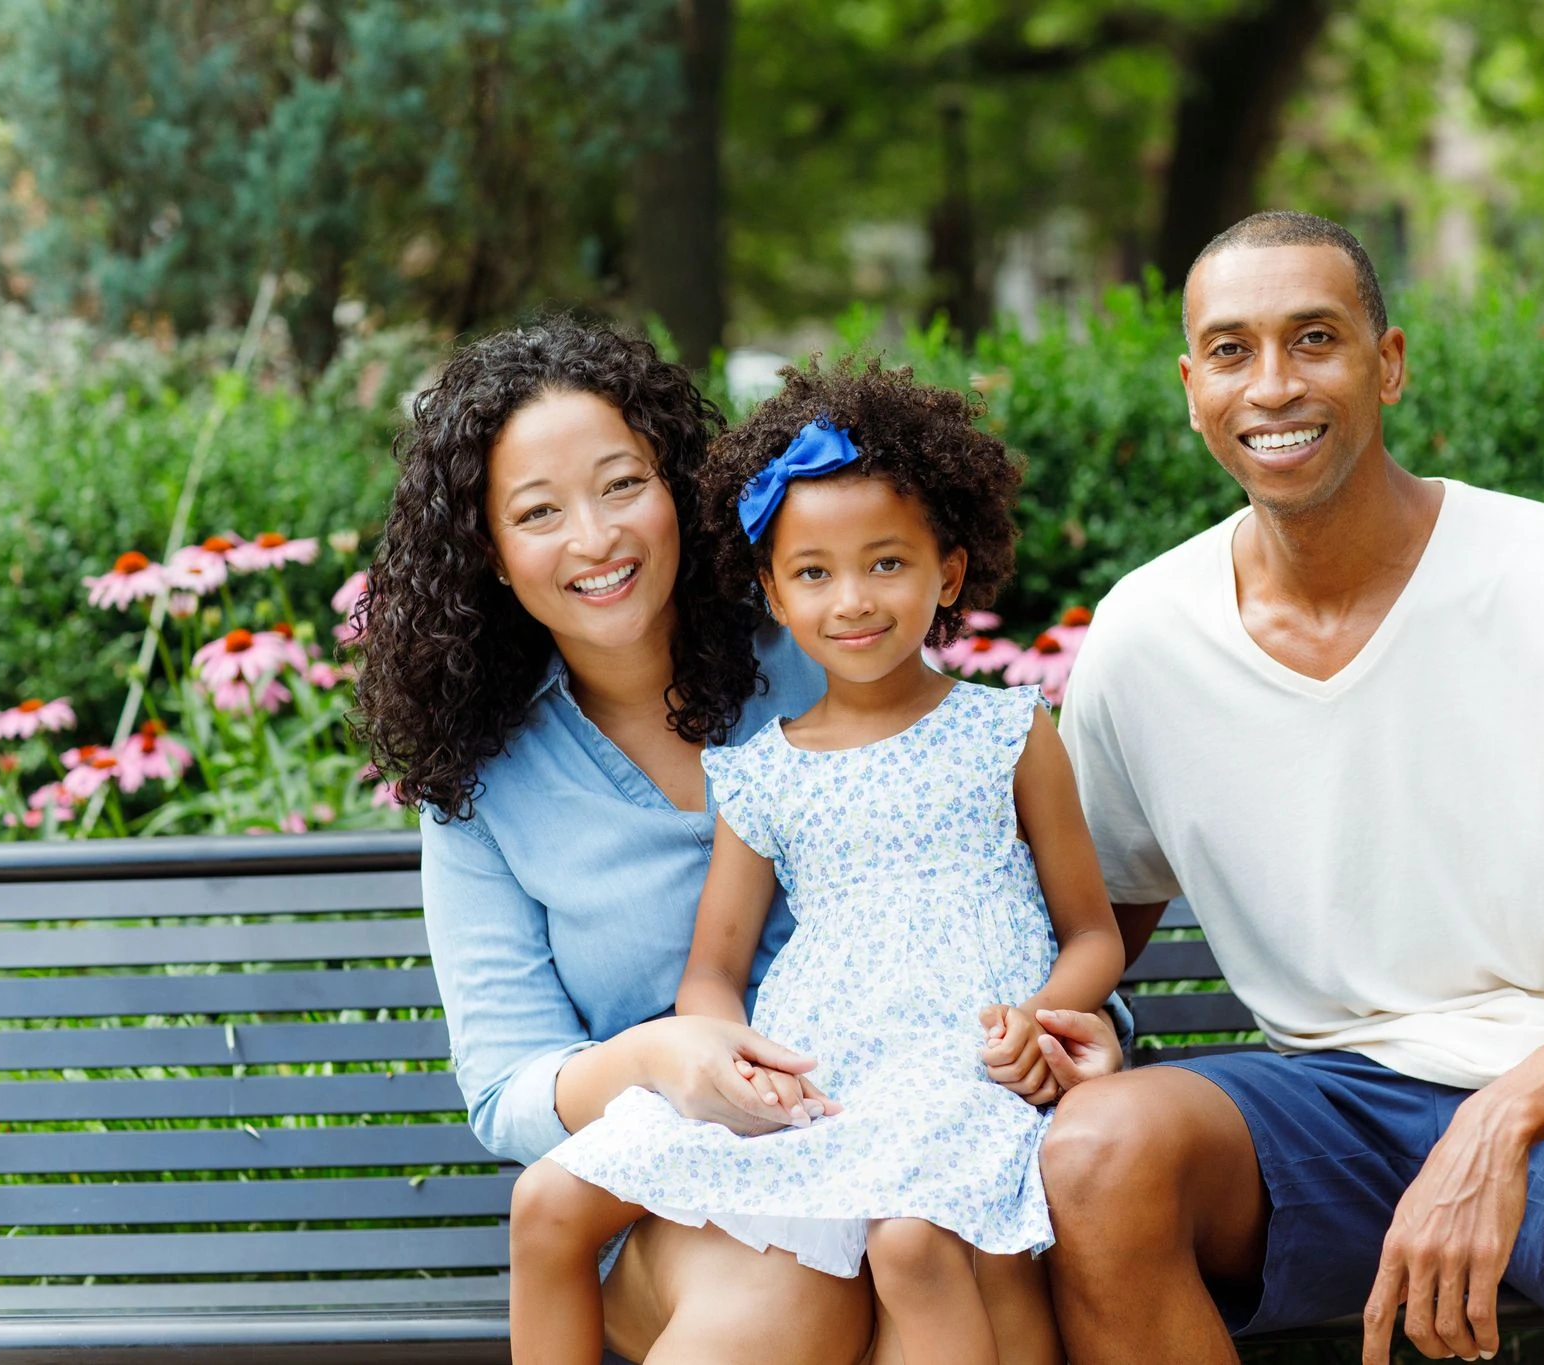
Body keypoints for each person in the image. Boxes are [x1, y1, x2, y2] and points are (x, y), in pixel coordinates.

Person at [1042, 211, 1544, 1365]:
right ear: (1192, 390)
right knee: (1095, 1149)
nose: (1271, 384)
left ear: (1386, 364)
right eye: (1231, 351)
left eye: (1314, 339)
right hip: (1322, 1109)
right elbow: (1086, 925)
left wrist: (1499, 1120)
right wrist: (1068, 1017)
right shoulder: (1145, 636)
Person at [356, 320, 1127, 1365]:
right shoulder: (482, 782)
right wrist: (663, 1054)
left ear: (678, 488)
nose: (594, 539)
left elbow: (998, 899)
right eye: (538, 513)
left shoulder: (831, 648)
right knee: (783, 1291)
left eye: (622, 484)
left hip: (930, 1147)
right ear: (488, 555)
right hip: (682, 1201)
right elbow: (506, 1091)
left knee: (875, 1265)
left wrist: (1063, 1028)